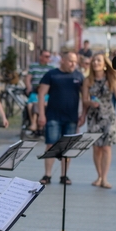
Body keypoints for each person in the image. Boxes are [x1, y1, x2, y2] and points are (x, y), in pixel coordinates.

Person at [37, 49, 84, 185]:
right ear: (62, 60)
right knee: (51, 145)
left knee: (67, 147)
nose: (73, 64)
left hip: (71, 117)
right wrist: (41, 114)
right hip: (53, 116)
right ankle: (47, 175)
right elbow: (41, 94)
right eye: (70, 61)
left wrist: (83, 114)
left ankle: (64, 175)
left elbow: (85, 96)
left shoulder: (79, 76)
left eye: (75, 62)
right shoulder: (51, 74)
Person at [81, 53, 116, 189]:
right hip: (93, 116)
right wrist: (88, 105)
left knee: (106, 147)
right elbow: (84, 100)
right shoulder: (88, 80)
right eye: (93, 60)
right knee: (96, 148)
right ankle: (99, 176)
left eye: (98, 60)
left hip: (108, 116)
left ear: (105, 64)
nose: (95, 63)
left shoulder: (111, 79)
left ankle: (105, 178)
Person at [24, 50, 54, 133]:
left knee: (45, 103)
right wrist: (29, 87)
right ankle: (33, 123)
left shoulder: (51, 68)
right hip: (35, 90)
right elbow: (28, 78)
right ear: (41, 57)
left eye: (49, 56)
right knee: (30, 105)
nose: (48, 58)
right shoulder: (34, 66)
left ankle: (40, 124)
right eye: (46, 56)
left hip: (47, 92)